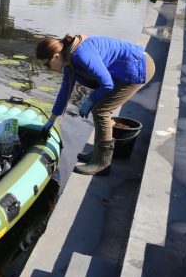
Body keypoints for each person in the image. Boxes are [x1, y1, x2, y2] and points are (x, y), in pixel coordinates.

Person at [36, 34, 155, 176]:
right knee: (100, 108)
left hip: (139, 66)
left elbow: (107, 84)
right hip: (126, 67)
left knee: (101, 110)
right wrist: (52, 119)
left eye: (46, 64)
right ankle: (99, 152)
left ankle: (102, 162)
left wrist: (90, 100)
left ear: (55, 56)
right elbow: (64, 92)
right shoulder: (68, 61)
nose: (47, 69)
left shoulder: (80, 56)